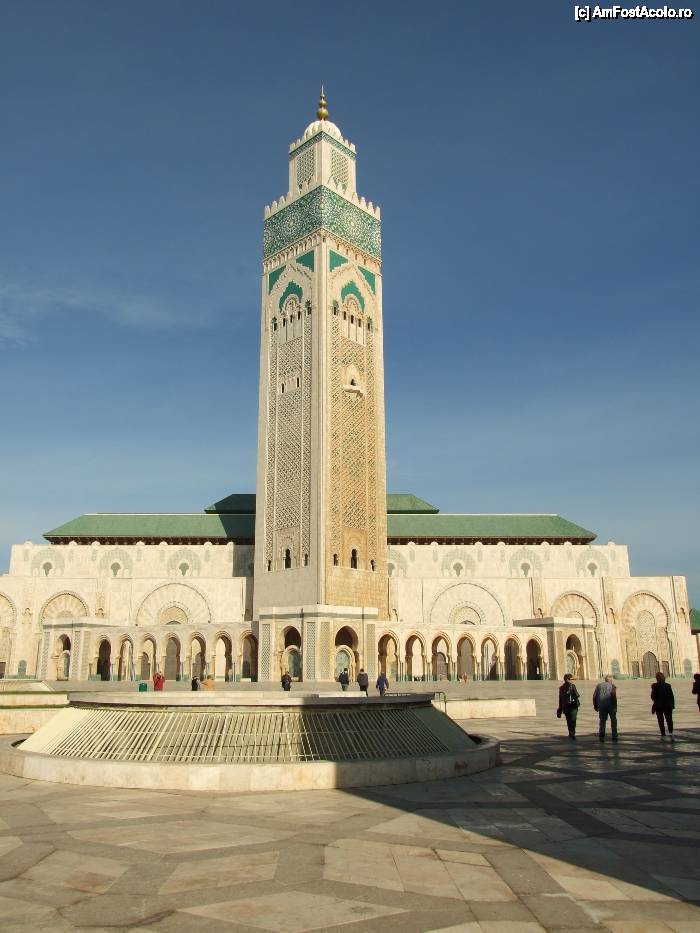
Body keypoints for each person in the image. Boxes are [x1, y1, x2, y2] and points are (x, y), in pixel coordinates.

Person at [651, 671, 675, 741]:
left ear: (657, 678)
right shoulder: (668, 685)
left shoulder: (654, 686)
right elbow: (671, 696)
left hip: (659, 706)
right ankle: (671, 733)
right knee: (669, 720)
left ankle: (663, 734)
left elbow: (653, 696)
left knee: (660, 720)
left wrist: (655, 701)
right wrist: (672, 704)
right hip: (668, 705)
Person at [593, 675, 617, 742]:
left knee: (602, 721)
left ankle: (601, 735)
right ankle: (614, 736)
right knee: (613, 721)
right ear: (610, 680)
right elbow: (613, 696)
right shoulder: (613, 686)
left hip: (601, 706)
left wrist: (595, 706)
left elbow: (594, 696)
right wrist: (615, 707)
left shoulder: (598, 685)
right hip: (610, 706)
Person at [557, 673, 580, 740]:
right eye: (571, 679)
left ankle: (570, 732)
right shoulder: (572, 686)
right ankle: (572, 733)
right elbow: (577, 695)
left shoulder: (561, 688)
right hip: (573, 706)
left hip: (565, 707)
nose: (572, 680)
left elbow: (560, 699)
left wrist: (560, 708)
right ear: (567, 679)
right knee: (573, 720)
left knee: (568, 720)